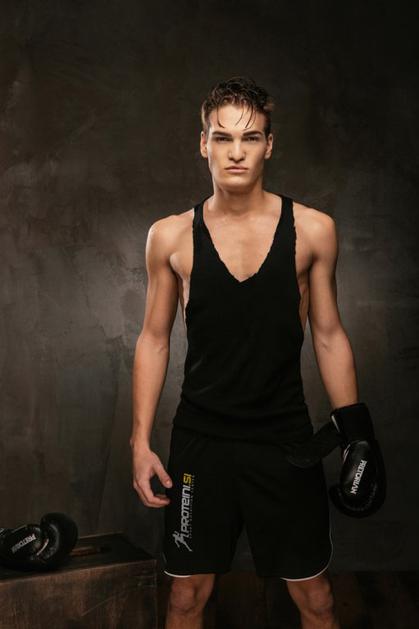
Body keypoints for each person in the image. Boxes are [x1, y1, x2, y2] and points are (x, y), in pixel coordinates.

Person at [130, 76, 384, 629]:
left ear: (269, 144)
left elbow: (328, 334)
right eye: (222, 137)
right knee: (185, 598)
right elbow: (154, 338)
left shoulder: (314, 230)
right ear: (203, 143)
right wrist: (140, 441)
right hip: (201, 443)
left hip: (284, 440)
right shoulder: (170, 236)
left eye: (250, 138)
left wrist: (357, 434)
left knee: (316, 600)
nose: (236, 152)